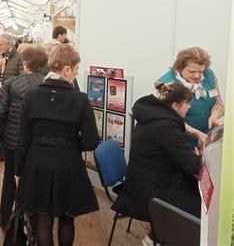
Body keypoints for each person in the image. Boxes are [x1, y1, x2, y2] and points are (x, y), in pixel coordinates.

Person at [15, 44, 99, 246]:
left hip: (37, 162)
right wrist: (70, 143)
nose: (75, 75)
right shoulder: (80, 99)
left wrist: (18, 170)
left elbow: (22, 138)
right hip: (68, 164)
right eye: (76, 70)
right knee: (67, 217)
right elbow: (91, 141)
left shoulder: (31, 95)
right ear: (67, 69)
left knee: (43, 219)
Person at [112, 82, 202, 245]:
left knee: (193, 190)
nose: (189, 107)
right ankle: (160, 236)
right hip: (149, 191)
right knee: (200, 211)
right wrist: (197, 156)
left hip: (141, 182)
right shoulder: (165, 126)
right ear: (175, 105)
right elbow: (192, 165)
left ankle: (156, 235)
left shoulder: (152, 116)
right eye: (187, 103)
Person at [0, 44, 48, 229]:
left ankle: (5, 216)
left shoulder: (11, 84)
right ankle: (31, 219)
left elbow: (0, 113)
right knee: (34, 179)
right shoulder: (48, 85)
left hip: (13, 140)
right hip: (37, 142)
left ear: (25, 64)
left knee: (9, 178)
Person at [158, 46, 224, 148]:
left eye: (201, 71)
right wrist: (197, 134)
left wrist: (214, 116)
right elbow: (167, 119)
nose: (197, 76)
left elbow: (218, 103)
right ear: (179, 68)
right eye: (192, 72)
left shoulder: (209, 75)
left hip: (205, 140)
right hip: (179, 143)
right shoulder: (163, 85)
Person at [0, 33, 23, 163]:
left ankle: (2, 152)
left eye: (1, 44)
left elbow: (21, 77)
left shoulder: (19, 58)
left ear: (9, 44)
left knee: (6, 126)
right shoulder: (0, 57)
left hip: (11, 98)